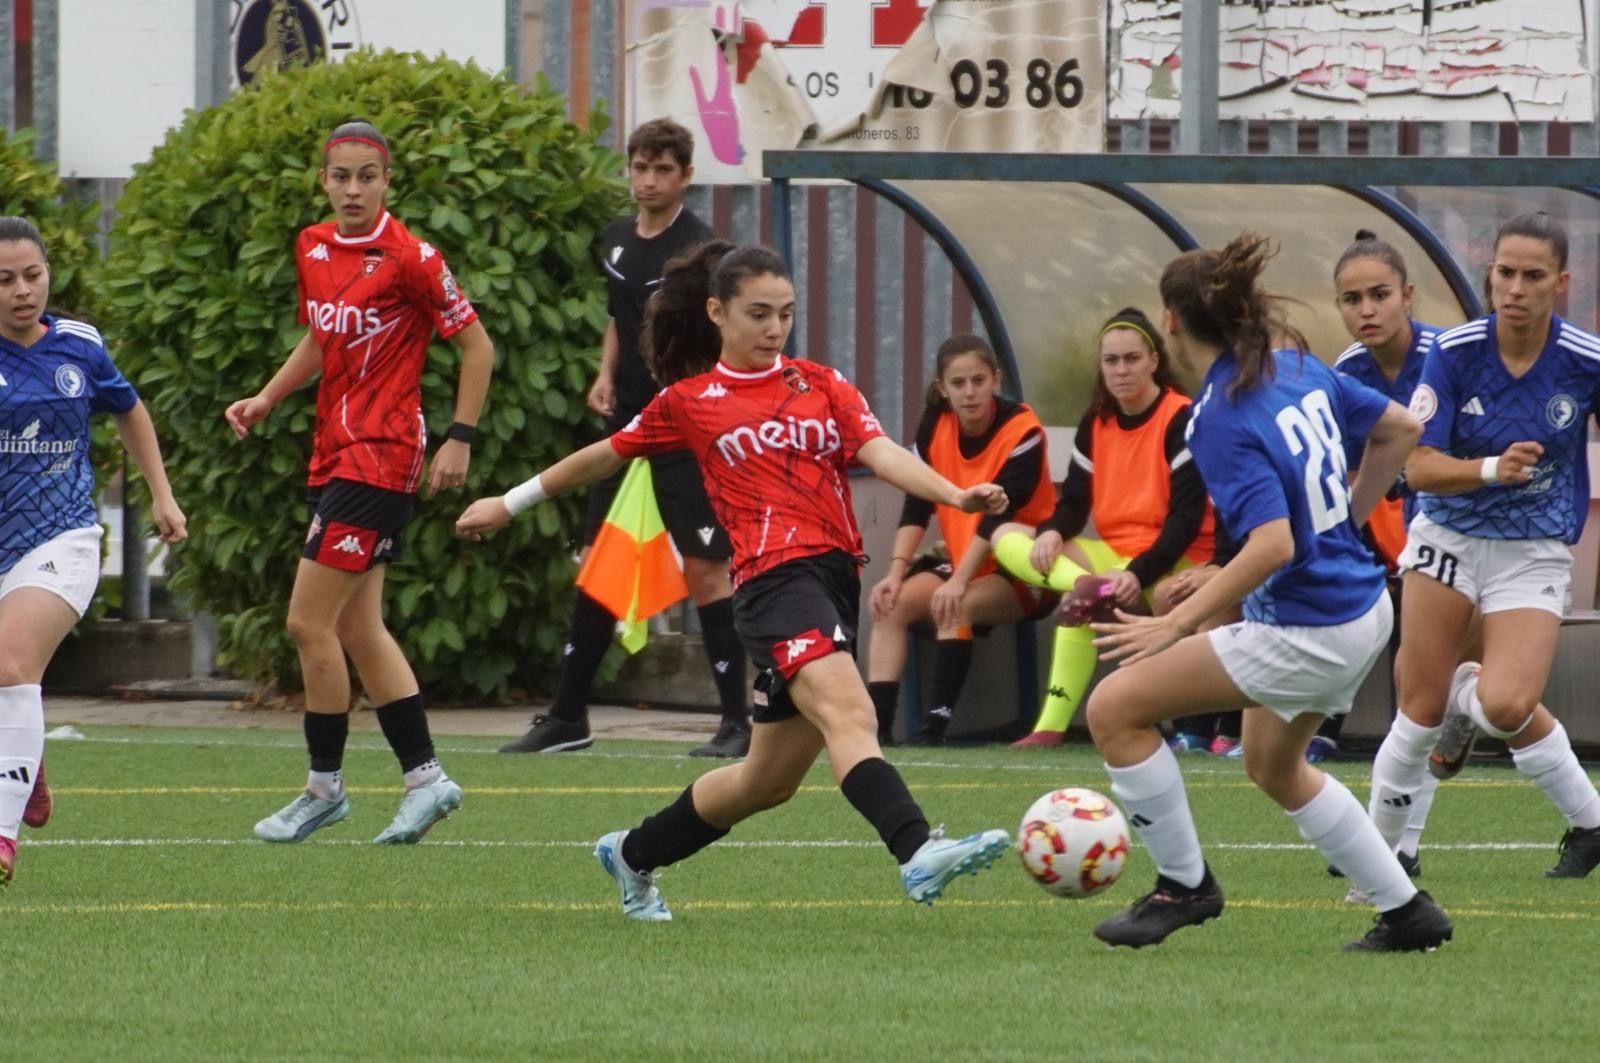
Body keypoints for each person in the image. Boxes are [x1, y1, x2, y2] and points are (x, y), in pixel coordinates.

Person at [456, 241, 1012, 920]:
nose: (775, 327)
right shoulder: (689, 402)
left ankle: (633, 852)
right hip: (774, 582)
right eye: (758, 313)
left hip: (832, 578)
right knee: (852, 710)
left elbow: (882, 451)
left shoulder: (821, 383)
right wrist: (508, 502)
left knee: (764, 781)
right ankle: (917, 848)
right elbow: (602, 456)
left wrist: (956, 497)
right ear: (718, 312)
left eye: (785, 313)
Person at [1084, 232, 1453, 952]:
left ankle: (1183, 886)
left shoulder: (1216, 414)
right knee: (1272, 763)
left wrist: (1177, 622)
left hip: (1308, 626)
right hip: (1364, 607)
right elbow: (1401, 427)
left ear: (1171, 322)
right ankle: (1408, 911)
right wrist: (1343, 517)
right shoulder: (1296, 366)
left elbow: (1276, 543)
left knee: (1113, 709)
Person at [226, 120, 492, 845]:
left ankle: (323, 788)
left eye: (365, 176)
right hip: (333, 451)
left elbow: (476, 345)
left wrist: (459, 439)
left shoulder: (412, 256)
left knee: (306, 621)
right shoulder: (312, 246)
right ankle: (426, 779)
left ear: (386, 180)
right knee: (356, 625)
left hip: (381, 456)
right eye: (340, 176)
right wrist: (268, 396)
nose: (352, 189)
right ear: (324, 180)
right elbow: (322, 334)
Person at [500, 117, 753, 759]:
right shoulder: (615, 241)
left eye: (662, 169)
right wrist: (605, 374)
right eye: (639, 167)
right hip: (627, 427)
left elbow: (717, 334)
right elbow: (622, 317)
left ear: (686, 176)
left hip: (685, 432)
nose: (648, 180)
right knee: (595, 567)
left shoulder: (702, 251)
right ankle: (567, 717)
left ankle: (735, 724)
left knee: (705, 571)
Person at [1367, 211, 1600, 880]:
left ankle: (1474, 708)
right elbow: (1417, 467)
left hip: (1534, 547)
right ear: (1489, 274)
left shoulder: (1584, 361)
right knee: (1417, 708)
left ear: (1561, 282)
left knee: (1504, 705)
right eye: (1505, 273)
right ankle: (1383, 862)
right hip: (1449, 536)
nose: (1516, 288)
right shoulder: (1456, 350)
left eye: (1533, 276)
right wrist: (1494, 466)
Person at [0, 216, 187, 885]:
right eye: (4, 280)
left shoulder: (80, 345)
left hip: (63, 536)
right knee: (9, 677)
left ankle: (2, 834)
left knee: (12, 659)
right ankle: (27, 759)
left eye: (33, 274)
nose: (23, 290)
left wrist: (162, 495)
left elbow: (129, 409)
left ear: (49, 272)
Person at [988, 308, 1215, 747]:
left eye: (1131, 359)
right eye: (1111, 361)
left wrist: (1137, 574)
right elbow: (1074, 503)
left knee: (1084, 597)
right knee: (1004, 534)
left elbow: (1184, 522)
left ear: (1153, 360)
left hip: (1172, 559)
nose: (1121, 370)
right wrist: (1054, 529)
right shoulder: (1097, 420)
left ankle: (1052, 723)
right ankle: (1050, 727)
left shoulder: (1180, 417)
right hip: (1111, 558)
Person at [864, 334, 1056, 745]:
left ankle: (934, 730)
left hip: (1025, 572)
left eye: (978, 381)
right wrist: (894, 573)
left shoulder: (1024, 430)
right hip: (964, 564)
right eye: (958, 383)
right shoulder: (936, 426)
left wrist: (958, 581)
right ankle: (877, 731)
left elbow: (995, 518)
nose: (969, 393)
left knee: (957, 603)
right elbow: (917, 505)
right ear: (942, 388)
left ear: (995, 380)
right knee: (889, 604)